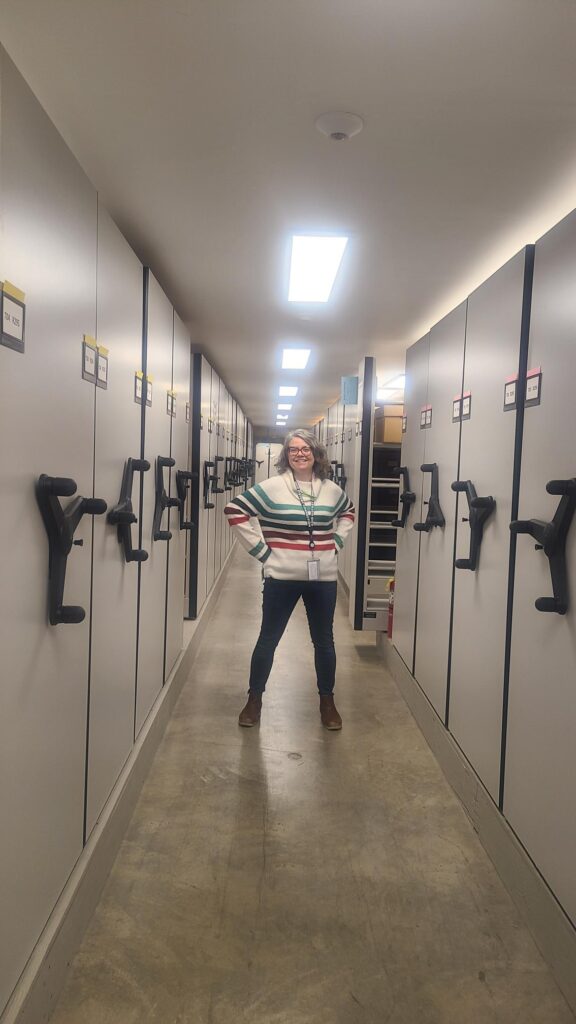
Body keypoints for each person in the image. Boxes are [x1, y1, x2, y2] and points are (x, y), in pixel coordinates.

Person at [224, 429, 355, 730]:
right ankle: (254, 700)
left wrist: (336, 543)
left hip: (322, 577)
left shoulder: (330, 490)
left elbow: (348, 512)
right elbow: (235, 510)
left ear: (316, 454)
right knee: (268, 639)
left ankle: (327, 701)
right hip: (281, 576)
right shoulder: (272, 487)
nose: (300, 453)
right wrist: (261, 551)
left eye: (305, 449)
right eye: (293, 449)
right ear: (286, 456)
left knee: (324, 642)